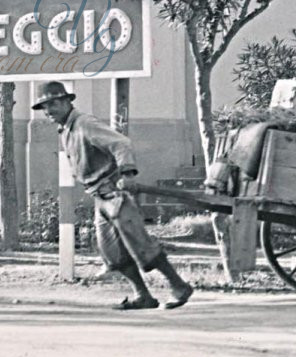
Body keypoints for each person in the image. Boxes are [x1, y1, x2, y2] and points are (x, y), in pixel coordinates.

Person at [32, 81, 194, 310]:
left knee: (141, 245)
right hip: (99, 197)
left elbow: (120, 143)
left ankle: (179, 286)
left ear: (68, 101)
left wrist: (127, 173)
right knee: (112, 253)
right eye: (45, 107)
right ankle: (142, 295)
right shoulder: (67, 129)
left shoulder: (84, 123)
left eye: (54, 104)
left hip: (114, 193)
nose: (49, 111)